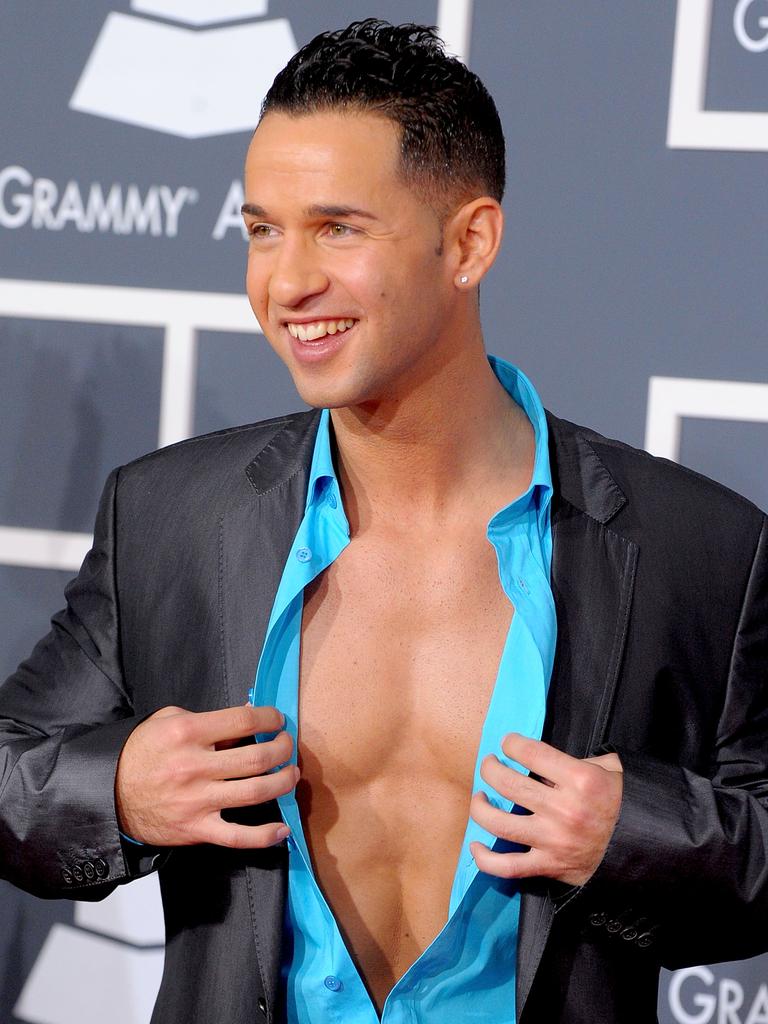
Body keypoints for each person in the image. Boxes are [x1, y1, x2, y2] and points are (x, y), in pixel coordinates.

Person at [1, 18, 767, 1024]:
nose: (287, 282)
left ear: (469, 242)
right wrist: (122, 793)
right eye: (263, 229)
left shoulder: (694, 545)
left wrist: (632, 834)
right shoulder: (169, 517)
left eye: (339, 228)